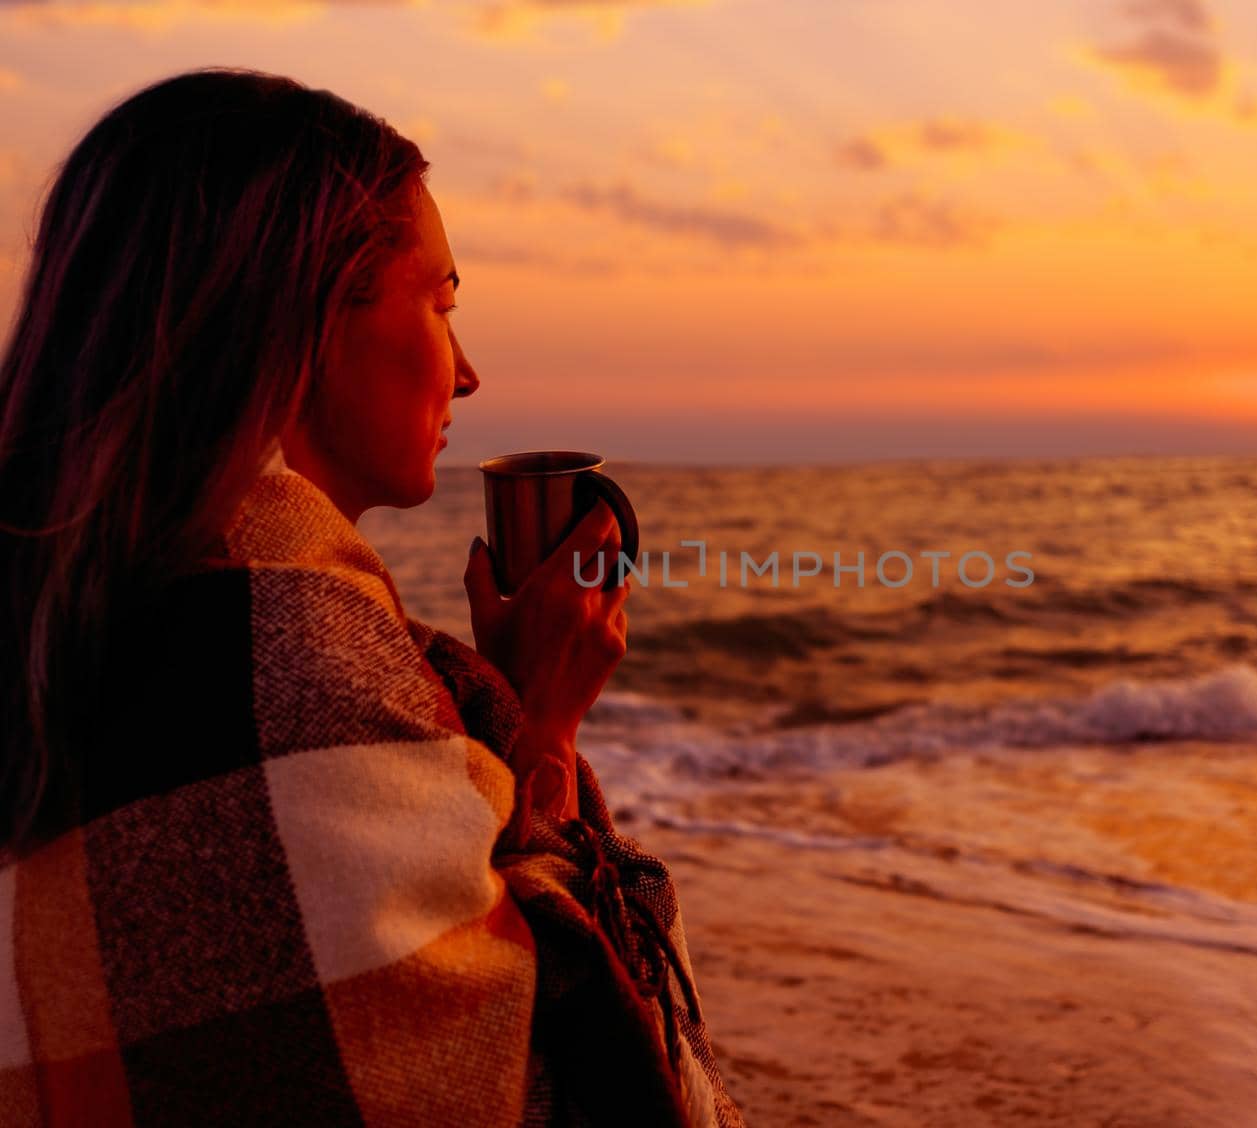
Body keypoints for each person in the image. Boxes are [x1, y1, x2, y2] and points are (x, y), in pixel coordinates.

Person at [0, 67, 745, 1126]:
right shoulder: (285, 659)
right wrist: (540, 725)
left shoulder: (61, 623)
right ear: (304, 315)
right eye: (440, 301)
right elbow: (571, 1091)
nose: (470, 371)